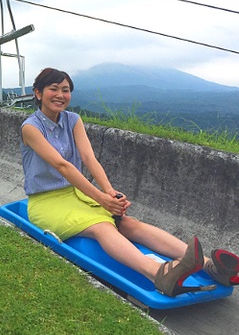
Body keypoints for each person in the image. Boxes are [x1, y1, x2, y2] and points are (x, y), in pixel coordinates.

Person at [21, 67, 239, 296]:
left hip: (78, 194)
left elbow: (89, 158)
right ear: (38, 93)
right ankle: (158, 274)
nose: (60, 95)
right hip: (46, 201)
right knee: (102, 227)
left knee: (127, 223)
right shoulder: (31, 128)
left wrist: (110, 192)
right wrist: (101, 199)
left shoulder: (73, 119)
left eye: (65, 90)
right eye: (53, 89)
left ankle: (209, 266)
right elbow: (62, 166)